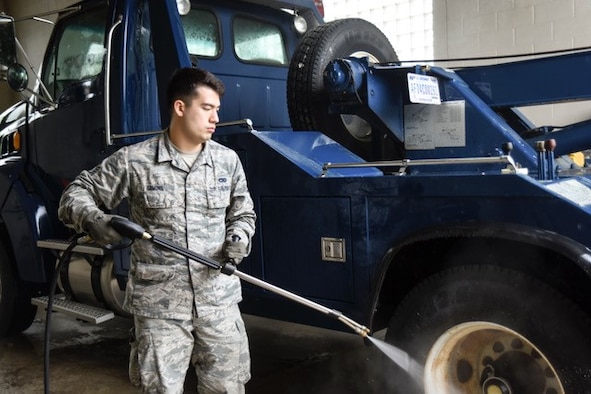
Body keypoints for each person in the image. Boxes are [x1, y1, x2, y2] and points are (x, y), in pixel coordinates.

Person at [58, 67, 256, 393]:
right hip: (160, 312)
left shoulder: (227, 162)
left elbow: (243, 213)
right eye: (207, 108)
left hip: (218, 305)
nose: (215, 118)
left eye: (217, 110)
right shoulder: (136, 161)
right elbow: (75, 194)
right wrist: (93, 219)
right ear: (180, 107)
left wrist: (239, 237)